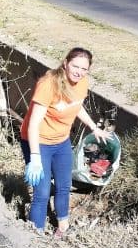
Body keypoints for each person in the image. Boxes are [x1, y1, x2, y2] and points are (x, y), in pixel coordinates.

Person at [20, 47, 111, 236]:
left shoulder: (82, 82)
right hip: (39, 142)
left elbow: (76, 106)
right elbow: (33, 124)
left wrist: (93, 127)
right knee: (42, 193)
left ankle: (63, 227)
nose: (79, 72)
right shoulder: (48, 84)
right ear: (65, 64)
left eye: (84, 69)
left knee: (63, 186)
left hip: (61, 142)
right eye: (75, 66)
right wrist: (35, 157)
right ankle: (34, 237)